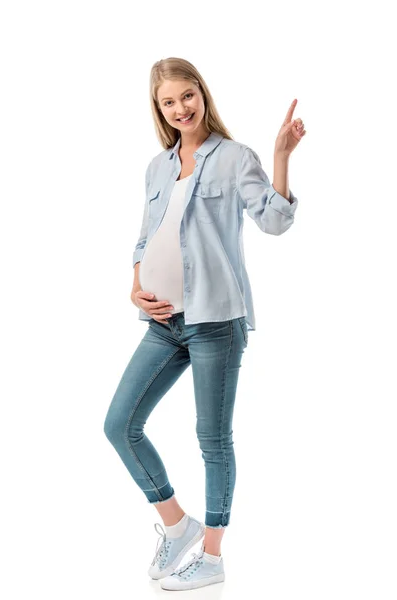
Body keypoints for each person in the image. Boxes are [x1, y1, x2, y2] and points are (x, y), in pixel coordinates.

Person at [104, 56, 306, 591]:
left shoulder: (235, 157)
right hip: (164, 323)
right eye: (168, 102)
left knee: (212, 439)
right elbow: (145, 236)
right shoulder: (156, 166)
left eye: (186, 96)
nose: (180, 109)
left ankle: (212, 556)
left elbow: (274, 220)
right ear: (159, 108)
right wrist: (135, 286)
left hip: (217, 322)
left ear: (202, 93)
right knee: (119, 425)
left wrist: (282, 156)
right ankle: (176, 523)